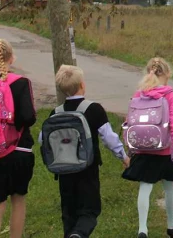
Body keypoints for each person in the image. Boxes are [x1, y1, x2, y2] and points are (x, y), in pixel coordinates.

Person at [50, 65, 130, 238]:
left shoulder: (55, 113)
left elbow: (44, 139)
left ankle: (72, 234)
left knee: (68, 214)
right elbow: (109, 138)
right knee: (90, 211)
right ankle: (79, 234)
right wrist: (124, 157)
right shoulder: (94, 109)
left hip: (63, 170)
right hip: (87, 169)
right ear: (82, 85)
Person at [0, 39, 37, 238]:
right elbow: (29, 117)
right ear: (12, 59)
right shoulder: (21, 83)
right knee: (18, 200)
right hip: (19, 151)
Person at [122, 58, 173, 238]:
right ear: (167, 74)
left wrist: (131, 148)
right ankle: (171, 225)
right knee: (169, 187)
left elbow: (130, 121)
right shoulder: (170, 95)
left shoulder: (138, 94)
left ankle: (142, 229)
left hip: (143, 149)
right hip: (165, 149)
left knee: (145, 186)